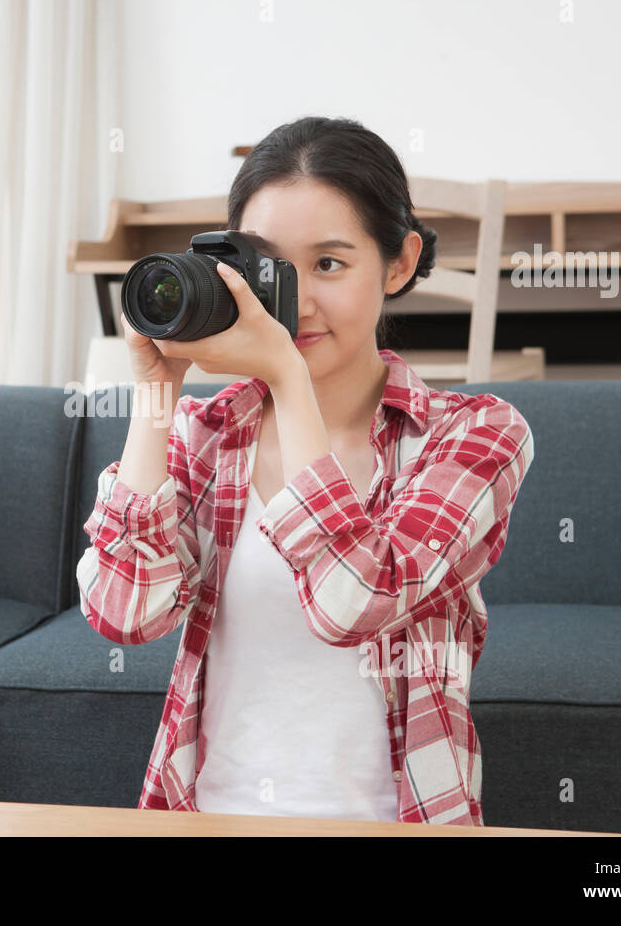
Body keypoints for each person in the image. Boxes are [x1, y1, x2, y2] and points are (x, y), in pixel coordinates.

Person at [76, 115, 535, 826]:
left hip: (401, 819)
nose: (296, 303)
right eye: (272, 270)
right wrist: (158, 393)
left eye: (329, 263)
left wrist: (288, 381)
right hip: (210, 814)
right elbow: (125, 614)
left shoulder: (470, 436)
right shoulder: (206, 437)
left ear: (400, 261)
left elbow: (352, 601)